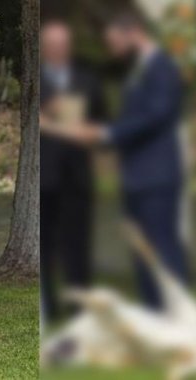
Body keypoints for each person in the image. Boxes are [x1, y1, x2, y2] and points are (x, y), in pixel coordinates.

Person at [42, 11, 189, 308]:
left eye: (114, 42)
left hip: (156, 176)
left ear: (131, 33)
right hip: (139, 176)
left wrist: (107, 134)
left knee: (161, 247)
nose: (112, 49)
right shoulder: (142, 70)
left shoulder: (161, 68)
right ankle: (155, 312)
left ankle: (177, 315)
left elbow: (153, 117)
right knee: (143, 248)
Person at [39, 19, 106, 321]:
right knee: (46, 245)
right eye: (52, 44)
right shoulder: (36, 81)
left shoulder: (88, 80)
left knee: (78, 244)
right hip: (45, 176)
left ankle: (81, 309)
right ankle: (49, 308)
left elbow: (104, 123)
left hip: (78, 176)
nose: (57, 49)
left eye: (62, 44)